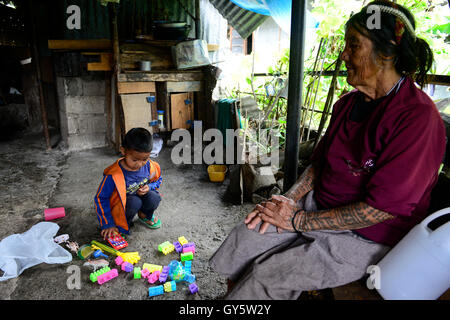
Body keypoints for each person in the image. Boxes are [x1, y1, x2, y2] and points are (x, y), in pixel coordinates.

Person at [209, 1, 446, 300]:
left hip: (366, 235)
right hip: (313, 207)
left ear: (386, 54)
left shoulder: (417, 118)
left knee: (269, 276)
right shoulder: (347, 104)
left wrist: (298, 221)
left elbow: (379, 209)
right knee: (245, 236)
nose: (344, 54)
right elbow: (319, 165)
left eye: (353, 45)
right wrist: (287, 199)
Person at [94, 127, 162, 240]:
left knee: (154, 197)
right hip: (123, 206)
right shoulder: (113, 175)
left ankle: (145, 215)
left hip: (140, 198)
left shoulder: (150, 167)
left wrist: (149, 187)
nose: (140, 164)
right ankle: (122, 225)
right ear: (123, 151)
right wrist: (108, 224)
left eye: (145, 159)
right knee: (134, 202)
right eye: (135, 160)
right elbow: (101, 198)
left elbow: (157, 180)